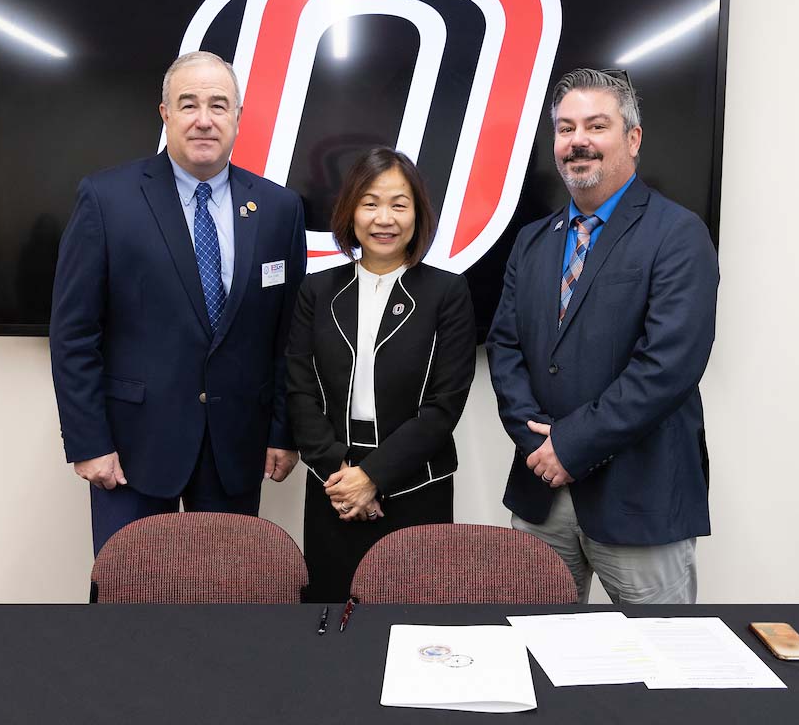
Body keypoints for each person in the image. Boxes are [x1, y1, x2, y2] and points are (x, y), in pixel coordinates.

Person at [50, 51, 307, 554]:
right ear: (164, 113)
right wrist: (89, 443)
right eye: (188, 104)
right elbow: (74, 334)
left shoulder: (279, 209)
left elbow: (288, 338)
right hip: (130, 450)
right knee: (132, 601)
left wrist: (284, 430)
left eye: (218, 104)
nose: (204, 119)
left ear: (238, 116)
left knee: (227, 598)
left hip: (237, 446)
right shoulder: (107, 199)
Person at [486, 68, 719, 604]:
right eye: (566, 129)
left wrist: (569, 446)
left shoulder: (678, 235)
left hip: (639, 498)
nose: (578, 142)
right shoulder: (531, 241)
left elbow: (667, 368)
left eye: (596, 125)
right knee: (537, 654)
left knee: (661, 667)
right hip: (541, 490)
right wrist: (538, 448)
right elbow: (505, 348)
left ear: (632, 139)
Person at [286, 148, 476, 602]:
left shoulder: (446, 292)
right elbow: (299, 387)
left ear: (417, 213)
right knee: (330, 620)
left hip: (416, 484)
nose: (384, 218)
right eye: (370, 203)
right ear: (350, 212)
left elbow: (442, 407)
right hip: (334, 483)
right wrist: (343, 475)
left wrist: (374, 477)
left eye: (398, 203)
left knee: (415, 621)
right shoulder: (318, 290)